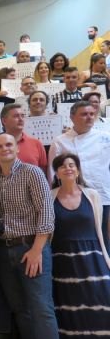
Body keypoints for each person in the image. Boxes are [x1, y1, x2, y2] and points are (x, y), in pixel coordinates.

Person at [0, 134, 62, 339]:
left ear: (17, 148)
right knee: (21, 310)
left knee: (42, 308)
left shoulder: (33, 173)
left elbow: (46, 212)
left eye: (8, 145)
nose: (4, 149)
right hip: (5, 253)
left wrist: (37, 250)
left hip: (32, 248)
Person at [50, 153, 110, 339]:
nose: (68, 169)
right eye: (63, 166)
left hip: (93, 259)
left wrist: (106, 258)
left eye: (72, 165)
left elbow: (100, 232)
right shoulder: (51, 196)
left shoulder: (92, 195)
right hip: (63, 262)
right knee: (69, 314)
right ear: (56, 172)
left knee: (101, 307)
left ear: (78, 170)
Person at [49, 101, 110, 248]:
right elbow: (53, 173)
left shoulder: (106, 137)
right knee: (80, 237)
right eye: (84, 114)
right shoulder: (60, 141)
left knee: (105, 239)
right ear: (72, 117)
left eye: (92, 114)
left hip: (103, 195)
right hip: (72, 197)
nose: (89, 117)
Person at [0, 104, 47, 173]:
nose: (21, 119)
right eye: (16, 116)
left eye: (22, 116)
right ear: (4, 121)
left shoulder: (36, 144)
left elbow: (43, 171)